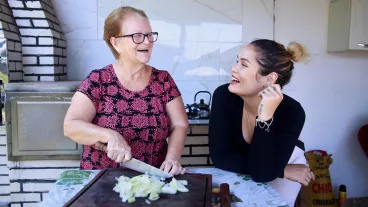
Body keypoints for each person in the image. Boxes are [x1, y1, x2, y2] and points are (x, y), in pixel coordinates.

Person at [64, 6, 188, 175]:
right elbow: (71, 126)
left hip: (151, 179)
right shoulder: (98, 80)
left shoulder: (163, 80)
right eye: (137, 36)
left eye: (149, 35)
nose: (147, 41)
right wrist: (109, 135)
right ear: (116, 42)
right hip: (101, 181)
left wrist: (172, 158)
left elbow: (179, 124)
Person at [208, 39, 315, 205]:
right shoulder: (224, 96)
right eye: (238, 61)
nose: (234, 68)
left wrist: (265, 116)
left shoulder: (292, 112)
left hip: (287, 161)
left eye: (244, 64)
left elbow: (262, 173)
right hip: (282, 169)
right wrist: (281, 171)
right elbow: (221, 158)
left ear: (270, 78)